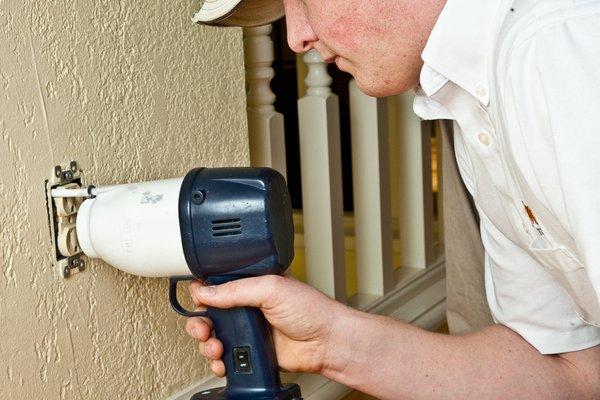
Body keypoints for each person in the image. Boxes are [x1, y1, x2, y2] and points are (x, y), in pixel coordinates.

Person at [185, 0, 600, 398]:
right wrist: (329, 342)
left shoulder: (560, 46)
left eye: (303, 2)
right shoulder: (476, 99)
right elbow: (576, 377)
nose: (296, 38)